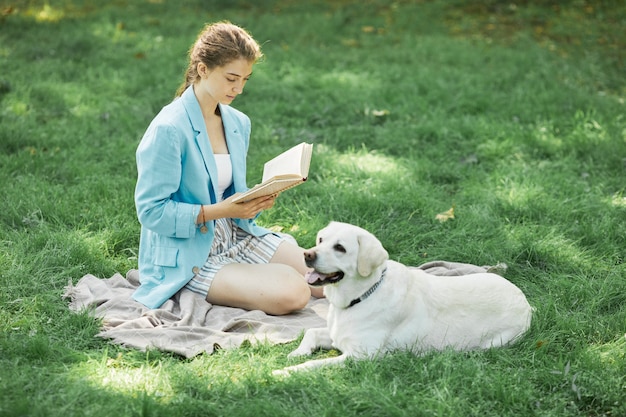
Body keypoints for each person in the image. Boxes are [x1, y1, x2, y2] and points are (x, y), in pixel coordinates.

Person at [132, 21, 322, 315]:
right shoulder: (168, 129)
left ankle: (253, 277)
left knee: (328, 280)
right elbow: (151, 212)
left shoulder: (237, 122)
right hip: (191, 251)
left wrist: (257, 199)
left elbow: (230, 193)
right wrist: (224, 211)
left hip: (236, 233)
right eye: (232, 78)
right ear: (203, 69)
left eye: (246, 79)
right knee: (295, 292)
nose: (240, 89)